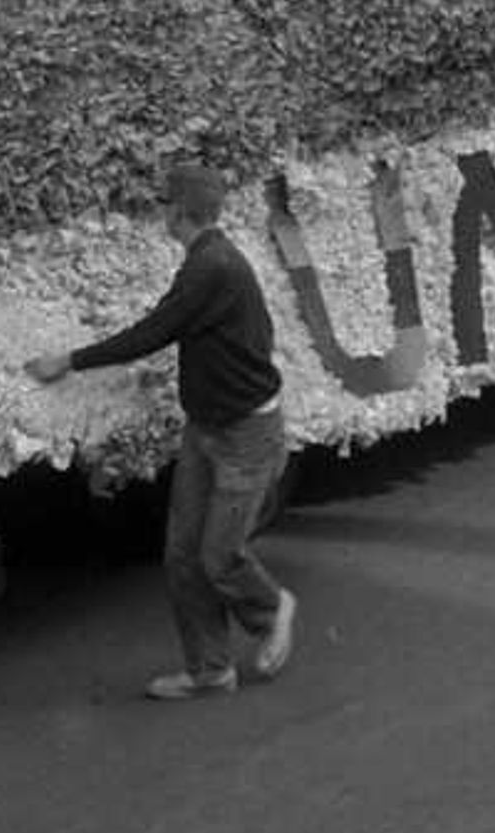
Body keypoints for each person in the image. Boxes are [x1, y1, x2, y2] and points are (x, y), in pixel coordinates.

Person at [23, 157, 296, 700]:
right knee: (182, 555)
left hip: (245, 436)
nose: (160, 215)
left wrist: (70, 360)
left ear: (180, 212)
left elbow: (155, 331)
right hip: (207, 427)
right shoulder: (206, 260)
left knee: (219, 556)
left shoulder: (211, 267)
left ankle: (272, 610)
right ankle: (210, 669)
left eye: (165, 205)